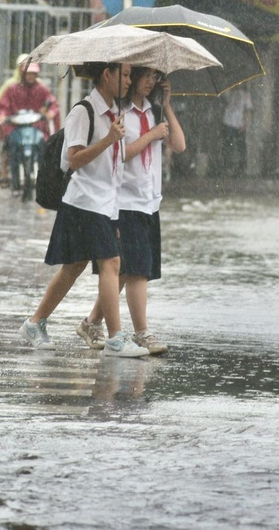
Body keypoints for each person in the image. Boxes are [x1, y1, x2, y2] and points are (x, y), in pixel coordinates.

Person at [18, 62, 149, 357]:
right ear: (107, 75)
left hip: (104, 202)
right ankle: (116, 338)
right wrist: (108, 140)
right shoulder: (83, 111)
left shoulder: (115, 112)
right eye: (125, 74)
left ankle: (34, 322)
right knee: (112, 262)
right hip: (84, 201)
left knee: (74, 267)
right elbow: (73, 159)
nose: (129, 81)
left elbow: (113, 163)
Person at [76, 67, 187, 355]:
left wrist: (168, 107)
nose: (150, 81)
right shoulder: (121, 112)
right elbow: (121, 152)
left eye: (155, 76)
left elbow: (179, 144)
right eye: (145, 75)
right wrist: (151, 135)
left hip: (148, 200)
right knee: (137, 271)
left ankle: (91, 322)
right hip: (124, 201)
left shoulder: (154, 111)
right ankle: (142, 333)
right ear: (132, 76)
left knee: (125, 272)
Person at [0, 60, 59, 193]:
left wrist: (50, 112)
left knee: (47, 148)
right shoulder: (12, 89)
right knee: (9, 147)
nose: (30, 77)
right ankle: (6, 175)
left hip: (37, 127)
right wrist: (2, 115)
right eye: (28, 74)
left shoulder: (42, 89)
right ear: (22, 74)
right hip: (16, 127)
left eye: (33, 74)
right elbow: (3, 106)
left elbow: (52, 103)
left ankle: (47, 177)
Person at [0, 54, 28, 187]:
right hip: (13, 122)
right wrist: (1, 116)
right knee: (7, 144)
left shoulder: (37, 85)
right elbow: (1, 103)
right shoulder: (11, 85)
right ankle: (4, 171)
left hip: (30, 122)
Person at [221, 86, 252, 175]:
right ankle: (227, 166)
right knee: (227, 145)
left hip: (239, 123)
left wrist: (246, 122)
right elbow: (224, 100)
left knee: (241, 145)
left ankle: (241, 167)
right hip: (228, 121)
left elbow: (248, 110)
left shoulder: (246, 94)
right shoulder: (229, 91)